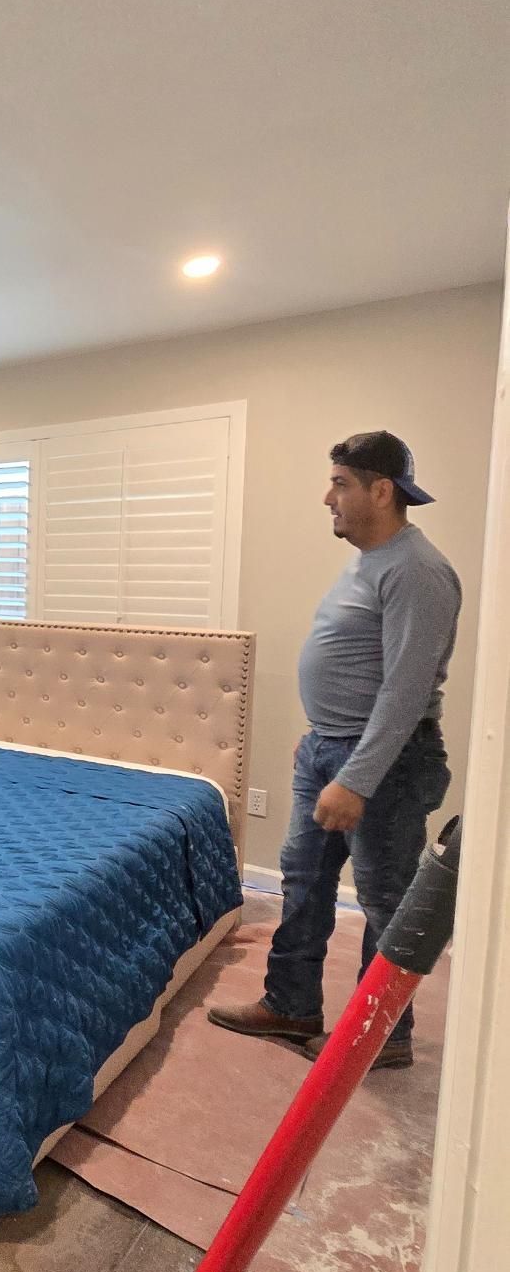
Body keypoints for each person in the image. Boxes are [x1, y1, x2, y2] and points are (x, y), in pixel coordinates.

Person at [208, 432, 460, 1069]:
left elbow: (405, 690)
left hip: (386, 767)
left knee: (384, 901)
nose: (328, 498)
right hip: (331, 750)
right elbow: (357, 665)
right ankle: (290, 1005)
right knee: (305, 882)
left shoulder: (417, 570)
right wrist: (321, 734)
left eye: (341, 484)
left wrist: (357, 776)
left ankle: (380, 1039)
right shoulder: (371, 560)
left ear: (382, 490)